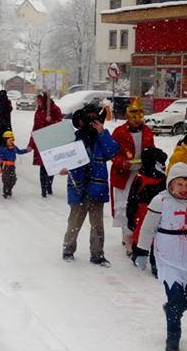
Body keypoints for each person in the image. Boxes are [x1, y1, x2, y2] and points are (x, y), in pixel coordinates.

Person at [134, 163, 187, 351]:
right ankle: (173, 338)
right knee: (176, 299)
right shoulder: (160, 201)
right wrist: (142, 251)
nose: (184, 189)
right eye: (179, 185)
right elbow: (147, 228)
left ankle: (171, 310)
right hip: (168, 260)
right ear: (170, 185)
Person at [62, 104, 120, 266]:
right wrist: (61, 167)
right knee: (74, 221)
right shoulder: (74, 137)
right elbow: (62, 157)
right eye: (89, 117)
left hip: (97, 187)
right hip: (78, 185)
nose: (92, 121)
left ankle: (97, 254)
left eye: (95, 117)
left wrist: (101, 132)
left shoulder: (102, 137)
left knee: (97, 225)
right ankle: (68, 249)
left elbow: (113, 151)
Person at [109, 97, 155, 255]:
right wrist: (122, 162)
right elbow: (112, 153)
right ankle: (127, 237)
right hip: (123, 175)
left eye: (139, 117)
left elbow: (151, 151)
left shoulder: (147, 131)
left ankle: (133, 234)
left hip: (141, 174)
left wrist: (149, 161)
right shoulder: (119, 132)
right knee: (123, 205)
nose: (137, 120)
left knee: (137, 205)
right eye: (133, 117)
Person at [126, 147, 168, 276]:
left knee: (158, 238)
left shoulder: (164, 180)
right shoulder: (140, 178)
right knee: (141, 235)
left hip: (160, 211)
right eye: (160, 163)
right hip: (142, 211)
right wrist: (131, 216)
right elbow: (132, 200)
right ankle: (138, 253)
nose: (163, 166)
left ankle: (155, 263)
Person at [28, 91, 64, 198]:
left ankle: (49, 185)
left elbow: (59, 124)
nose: (37, 101)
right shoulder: (39, 111)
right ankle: (43, 188)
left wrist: (51, 120)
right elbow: (35, 127)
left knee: (50, 165)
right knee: (43, 166)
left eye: (38, 99)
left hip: (51, 140)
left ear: (43, 99)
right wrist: (31, 143)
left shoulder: (54, 109)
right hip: (41, 140)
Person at [0, 131, 31, 198]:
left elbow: (19, 151)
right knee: (6, 179)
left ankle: (9, 189)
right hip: (5, 166)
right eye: (10, 140)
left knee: (13, 179)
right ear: (5, 140)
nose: (12, 141)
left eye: (13, 140)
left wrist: (27, 150)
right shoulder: (2, 148)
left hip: (12, 166)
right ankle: (6, 192)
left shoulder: (14, 147)